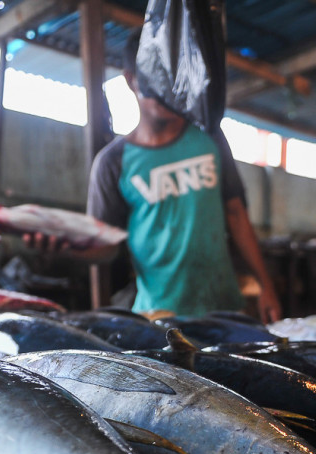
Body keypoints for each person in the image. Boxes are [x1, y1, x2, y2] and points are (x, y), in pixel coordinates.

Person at [83, 31, 281, 322]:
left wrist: (266, 286)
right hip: (156, 317)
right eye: (153, 77)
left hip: (223, 308)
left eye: (171, 77)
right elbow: (104, 246)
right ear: (131, 79)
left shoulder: (209, 135)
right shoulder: (112, 163)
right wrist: (66, 247)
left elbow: (236, 214)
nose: (165, 89)